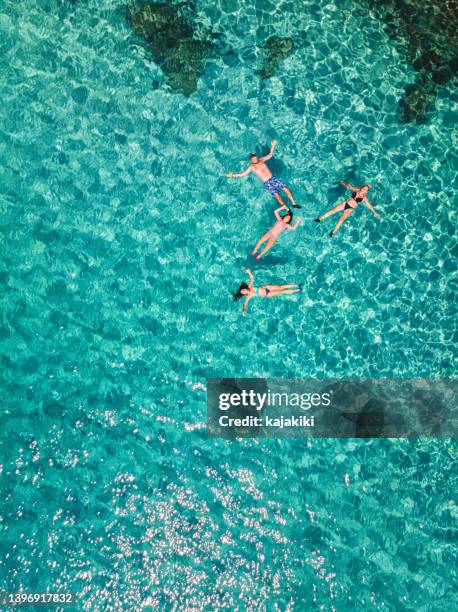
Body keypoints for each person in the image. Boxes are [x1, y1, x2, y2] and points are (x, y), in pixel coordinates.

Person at [226, 140, 301, 210]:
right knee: (278, 198)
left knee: (286, 189)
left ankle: (294, 204)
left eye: (256, 158)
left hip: (273, 179)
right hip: (267, 183)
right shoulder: (252, 167)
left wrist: (273, 145)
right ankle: (288, 210)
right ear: (251, 160)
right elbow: (243, 174)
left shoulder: (261, 160)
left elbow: (270, 155)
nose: (256, 159)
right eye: (254, 159)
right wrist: (232, 175)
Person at [314, 182, 380, 237]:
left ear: (366, 191)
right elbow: (349, 186)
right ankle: (320, 219)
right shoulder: (357, 190)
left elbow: (369, 205)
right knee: (332, 211)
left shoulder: (364, 198)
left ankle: (333, 232)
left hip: (350, 208)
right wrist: (342, 183)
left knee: (341, 219)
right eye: (364, 187)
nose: (364, 189)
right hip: (345, 203)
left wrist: (375, 212)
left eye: (365, 189)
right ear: (362, 187)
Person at [233, 269, 301, 315]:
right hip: (267, 294)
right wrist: (243, 310)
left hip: (266, 287)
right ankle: (297, 290)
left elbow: (252, 278)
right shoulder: (248, 296)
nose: (244, 291)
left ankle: (297, 285)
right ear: (244, 294)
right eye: (243, 292)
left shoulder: (249, 286)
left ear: (244, 289)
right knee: (281, 291)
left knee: (281, 287)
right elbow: (245, 304)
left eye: (243, 290)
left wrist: (248, 272)